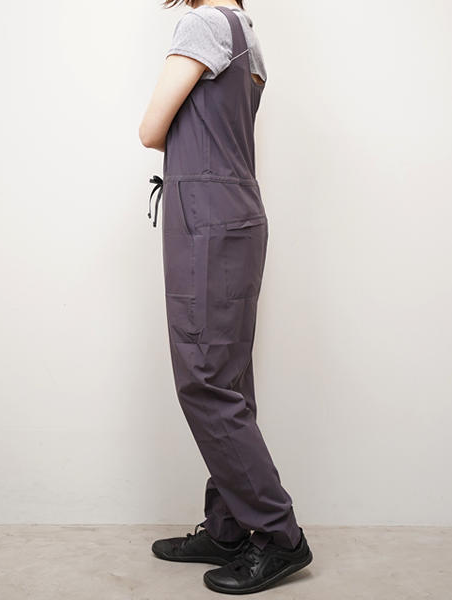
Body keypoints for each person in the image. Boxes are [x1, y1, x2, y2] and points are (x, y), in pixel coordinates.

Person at [139, 0, 313, 594]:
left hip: (208, 220)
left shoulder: (204, 24)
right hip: (235, 214)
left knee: (205, 379)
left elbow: (150, 130)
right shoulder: (248, 34)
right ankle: (229, 527)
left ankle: (279, 535)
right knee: (229, 379)